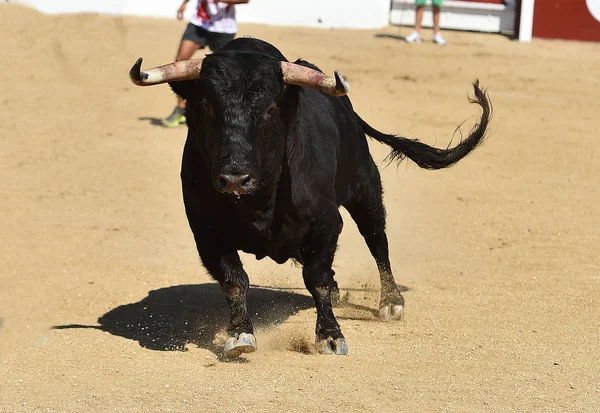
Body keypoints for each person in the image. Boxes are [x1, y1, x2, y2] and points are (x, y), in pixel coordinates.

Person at [162, 0, 250, 127]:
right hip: (199, 24)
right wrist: (184, 4)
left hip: (223, 29)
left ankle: (227, 112)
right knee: (180, 63)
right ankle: (181, 110)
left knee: (226, 70)